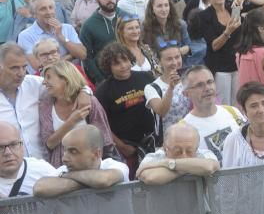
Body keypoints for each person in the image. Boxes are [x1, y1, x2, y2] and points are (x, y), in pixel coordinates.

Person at [189, 0, 264, 107]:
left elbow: (262, 2)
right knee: (224, 104)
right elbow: (214, 46)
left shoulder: (233, 6)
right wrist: (228, 31)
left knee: (239, 102)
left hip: (238, 63)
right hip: (220, 68)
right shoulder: (204, 16)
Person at [93, 43, 156, 176]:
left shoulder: (147, 77)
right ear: (108, 67)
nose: (123, 66)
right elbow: (101, 124)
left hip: (153, 141)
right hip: (127, 147)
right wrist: (122, 146)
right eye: (116, 63)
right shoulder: (103, 91)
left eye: (125, 60)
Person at [38, 60, 114, 167]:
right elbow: (49, 144)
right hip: (61, 167)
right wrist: (72, 121)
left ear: (65, 78)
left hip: (91, 166)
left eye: (49, 77)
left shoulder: (90, 102)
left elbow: (104, 139)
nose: (44, 82)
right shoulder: (46, 106)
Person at [174, 65, 246, 162]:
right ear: (186, 93)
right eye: (199, 85)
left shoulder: (232, 112)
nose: (207, 88)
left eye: (210, 82)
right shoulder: (182, 129)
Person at [136, 121, 221, 185]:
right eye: (177, 151)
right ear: (165, 148)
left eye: (189, 151)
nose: (184, 156)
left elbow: (209, 167)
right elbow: (151, 177)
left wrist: (167, 163)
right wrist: (191, 167)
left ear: (196, 148)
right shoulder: (152, 158)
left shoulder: (205, 154)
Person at [17, 0, 86, 69]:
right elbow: (37, 66)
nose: (48, 12)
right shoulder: (25, 35)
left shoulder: (67, 28)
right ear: (34, 14)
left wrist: (61, 37)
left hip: (71, 76)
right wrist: (72, 56)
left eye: (51, 8)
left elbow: (82, 54)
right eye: (43, 9)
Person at [0, 43, 45, 157]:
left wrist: (85, 92)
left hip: (42, 164)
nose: (21, 73)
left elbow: (70, 85)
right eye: (14, 68)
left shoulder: (34, 83)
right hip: (8, 169)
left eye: (24, 67)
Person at [144, 42, 192, 142]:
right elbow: (161, 111)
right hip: (168, 141)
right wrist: (170, 88)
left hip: (192, 135)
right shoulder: (152, 87)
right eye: (169, 59)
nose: (174, 62)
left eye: (177, 57)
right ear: (160, 62)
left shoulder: (191, 79)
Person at [0, 120, 57, 198]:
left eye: (13, 144)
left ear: (22, 145)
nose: (8, 152)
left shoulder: (41, 169)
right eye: (0, 147)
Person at [80, 0, 123, 82]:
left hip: (131, 71)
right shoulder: (88, 26)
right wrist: (100, 79)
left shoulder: (127, 17)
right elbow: (87, 57)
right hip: (106, 77)